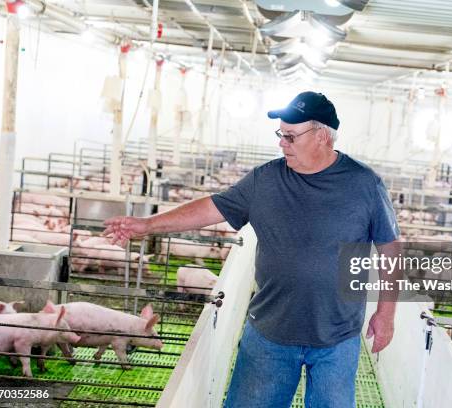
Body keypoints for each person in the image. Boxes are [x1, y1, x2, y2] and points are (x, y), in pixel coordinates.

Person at [103, 91, 401, 408]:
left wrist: (386, 314)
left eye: (290, 136)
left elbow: (391, 251)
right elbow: (211, 208)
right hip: (270, 331)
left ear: (322, 136)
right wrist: (147, 225)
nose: (281, 143)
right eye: (280, 134)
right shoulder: (265, 179)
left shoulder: (364, 184)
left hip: (338, 336)